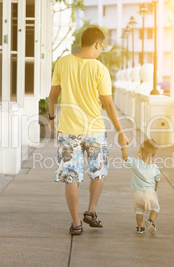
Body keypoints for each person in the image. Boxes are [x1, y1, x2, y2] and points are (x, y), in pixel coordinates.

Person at [48, 27, 129, 235]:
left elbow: (53, 96)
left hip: (68, 131)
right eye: (101, 46)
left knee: (71, 177)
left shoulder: (63, 63)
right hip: (94, 131)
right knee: (98, 172)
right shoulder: (100, 69)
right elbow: (109, 106)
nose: (101, 50)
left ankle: (76, 223)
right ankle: (91, 211)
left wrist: (51, 118)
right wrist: (120, 131)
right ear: (96, 44)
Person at [122, 139, 160, 235]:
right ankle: (151, 221)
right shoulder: (155, 168)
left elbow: (125, 157)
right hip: (150, 192)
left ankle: (140, 227)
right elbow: (157, 180)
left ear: (141, 151)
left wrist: (124, 147)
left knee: (139, 210)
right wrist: (155, 189)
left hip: (138, 193)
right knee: (155, 208)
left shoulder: (135, 163)